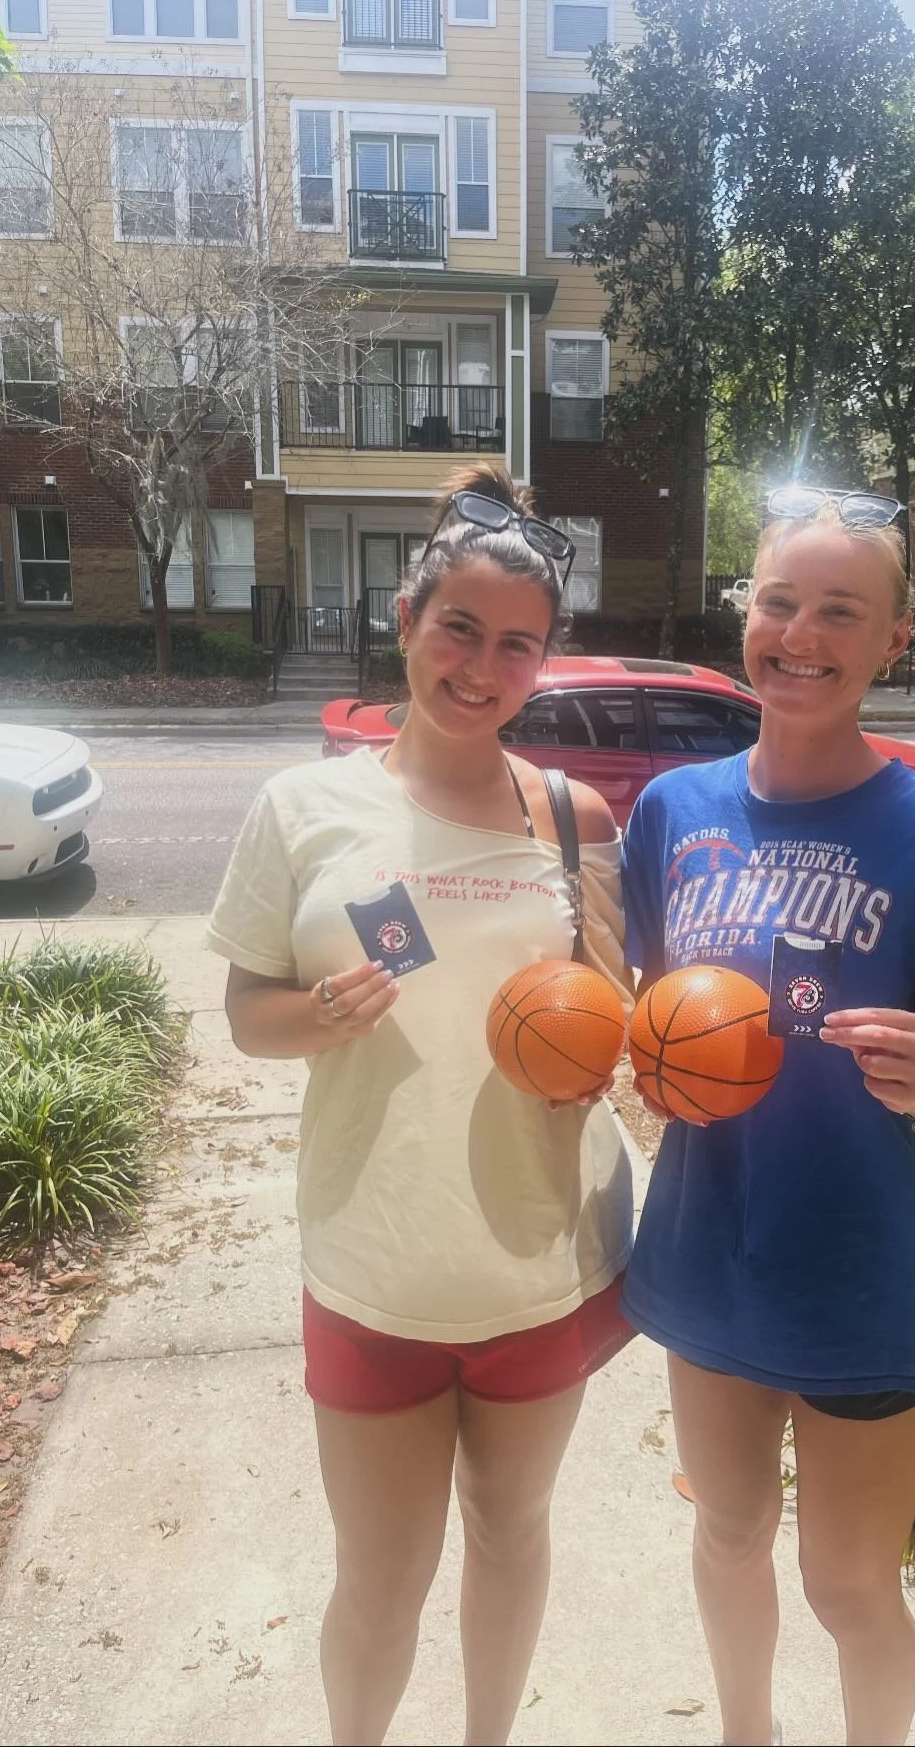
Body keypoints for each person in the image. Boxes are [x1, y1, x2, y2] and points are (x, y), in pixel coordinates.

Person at [204, 467, 635, 1747]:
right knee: (380, 1584)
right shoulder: (304, 806)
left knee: (512, 1537)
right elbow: (246, 1013)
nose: (482, 664)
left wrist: (641, 1046)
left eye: (518, 644)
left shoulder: (575, 818)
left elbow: (612, 1014)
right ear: (406, 616)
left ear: (541, 662)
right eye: (461, 628)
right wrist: (318, 1015)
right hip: (373, 1260)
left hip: (537, 1260)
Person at [620, 486, 915, 1747]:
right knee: (729, 1527)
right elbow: (661, 1015)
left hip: (871, 1271)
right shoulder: (674, 810)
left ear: (893, 642)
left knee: (848, 1582)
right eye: (778, 600)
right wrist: (647, 1059)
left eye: (840, 611)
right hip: (711, 1249)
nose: (799, 632)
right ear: (744, 610)